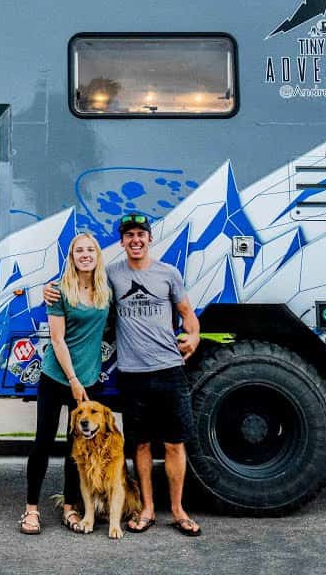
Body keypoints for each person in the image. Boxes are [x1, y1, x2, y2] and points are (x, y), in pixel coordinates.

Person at [44, 212, 203, 536]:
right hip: (132, 375)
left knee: (174, 444)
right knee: (140, 445)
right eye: (129, 236)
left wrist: (195, 337)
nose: (135, 240)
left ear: (149, 239)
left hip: (170, 370)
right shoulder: (111, 275)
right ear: (122, 242)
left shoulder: (168, 273)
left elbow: (188, 314)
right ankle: (146, 510)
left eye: (140, 235)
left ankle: (177, 510)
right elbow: (81, 281)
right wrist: (51, 290)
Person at [20, 232, 113, 535]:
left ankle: (70, 507)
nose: (85, 255)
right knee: (43, 443)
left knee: (79, 448)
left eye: (90, 250)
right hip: (57, 377)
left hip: (89, 380)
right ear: (71, 257)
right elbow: (57, 340)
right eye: (78, 251)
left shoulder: (104, 291)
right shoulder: (59, 291)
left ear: (97, 255)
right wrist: (73, 380)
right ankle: (31, 510)